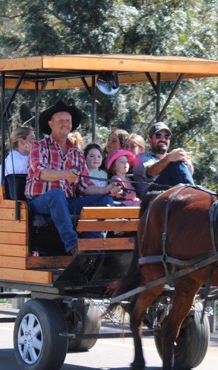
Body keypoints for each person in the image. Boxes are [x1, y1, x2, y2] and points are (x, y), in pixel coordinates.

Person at [25, 101, 119, 255]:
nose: (65, 124)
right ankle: (73, 246)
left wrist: (105, 189)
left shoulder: (76, 152)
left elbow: (84, 186)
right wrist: (65, 174)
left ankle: (93, 247)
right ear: (50, 124)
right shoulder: (39, 146)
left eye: (68, 121)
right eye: (61, 121)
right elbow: (41, 173)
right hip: (40, 201)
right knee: (56, 194)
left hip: (67, 202)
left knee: (105, 200)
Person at [132, 121, 194, 198]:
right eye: (158, 136)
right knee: (176, 162)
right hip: (149, 199)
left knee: (179, 160)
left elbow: (188, 174)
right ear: (150, 140)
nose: (163, 139)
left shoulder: (173, 157)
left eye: (166, 136)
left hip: (171, 196)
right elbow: (151, 172)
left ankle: (193, 195)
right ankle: (193, 196)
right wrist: (169, 158)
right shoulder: (142, 157)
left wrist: (187, 162)